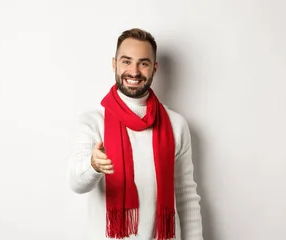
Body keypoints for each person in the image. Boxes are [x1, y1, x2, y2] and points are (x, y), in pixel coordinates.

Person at [66, 28, 203, 240]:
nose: (134, 71)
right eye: (126, 61)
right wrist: (93, 165)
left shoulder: (176, 124)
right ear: (114, 64)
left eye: (143, 63)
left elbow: (186, 196)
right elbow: (76, 183)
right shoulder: (93, 121)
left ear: (154, 68)